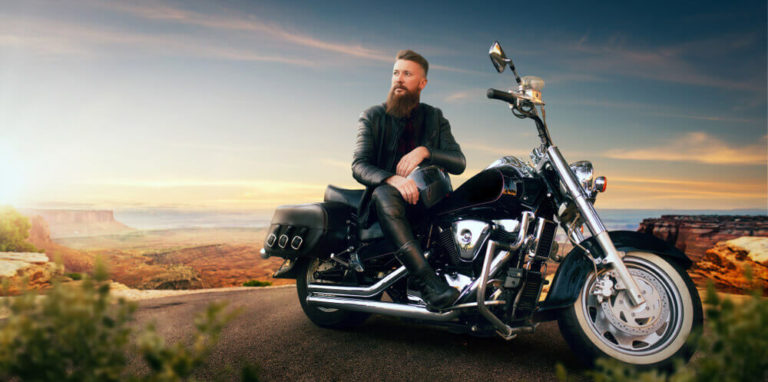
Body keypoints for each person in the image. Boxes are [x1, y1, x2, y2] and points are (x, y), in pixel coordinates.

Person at [352, 50, 465, 309]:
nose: (399, 79)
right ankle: (428, 285)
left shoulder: (435, 117)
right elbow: (359, 165)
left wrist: (425, 151)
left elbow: (459, 161)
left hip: (428, 198)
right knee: (384, 193)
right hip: (384, 201)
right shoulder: (372, 116)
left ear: (422, 83)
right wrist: (391, 179)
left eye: (407, 74)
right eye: (395, 73)